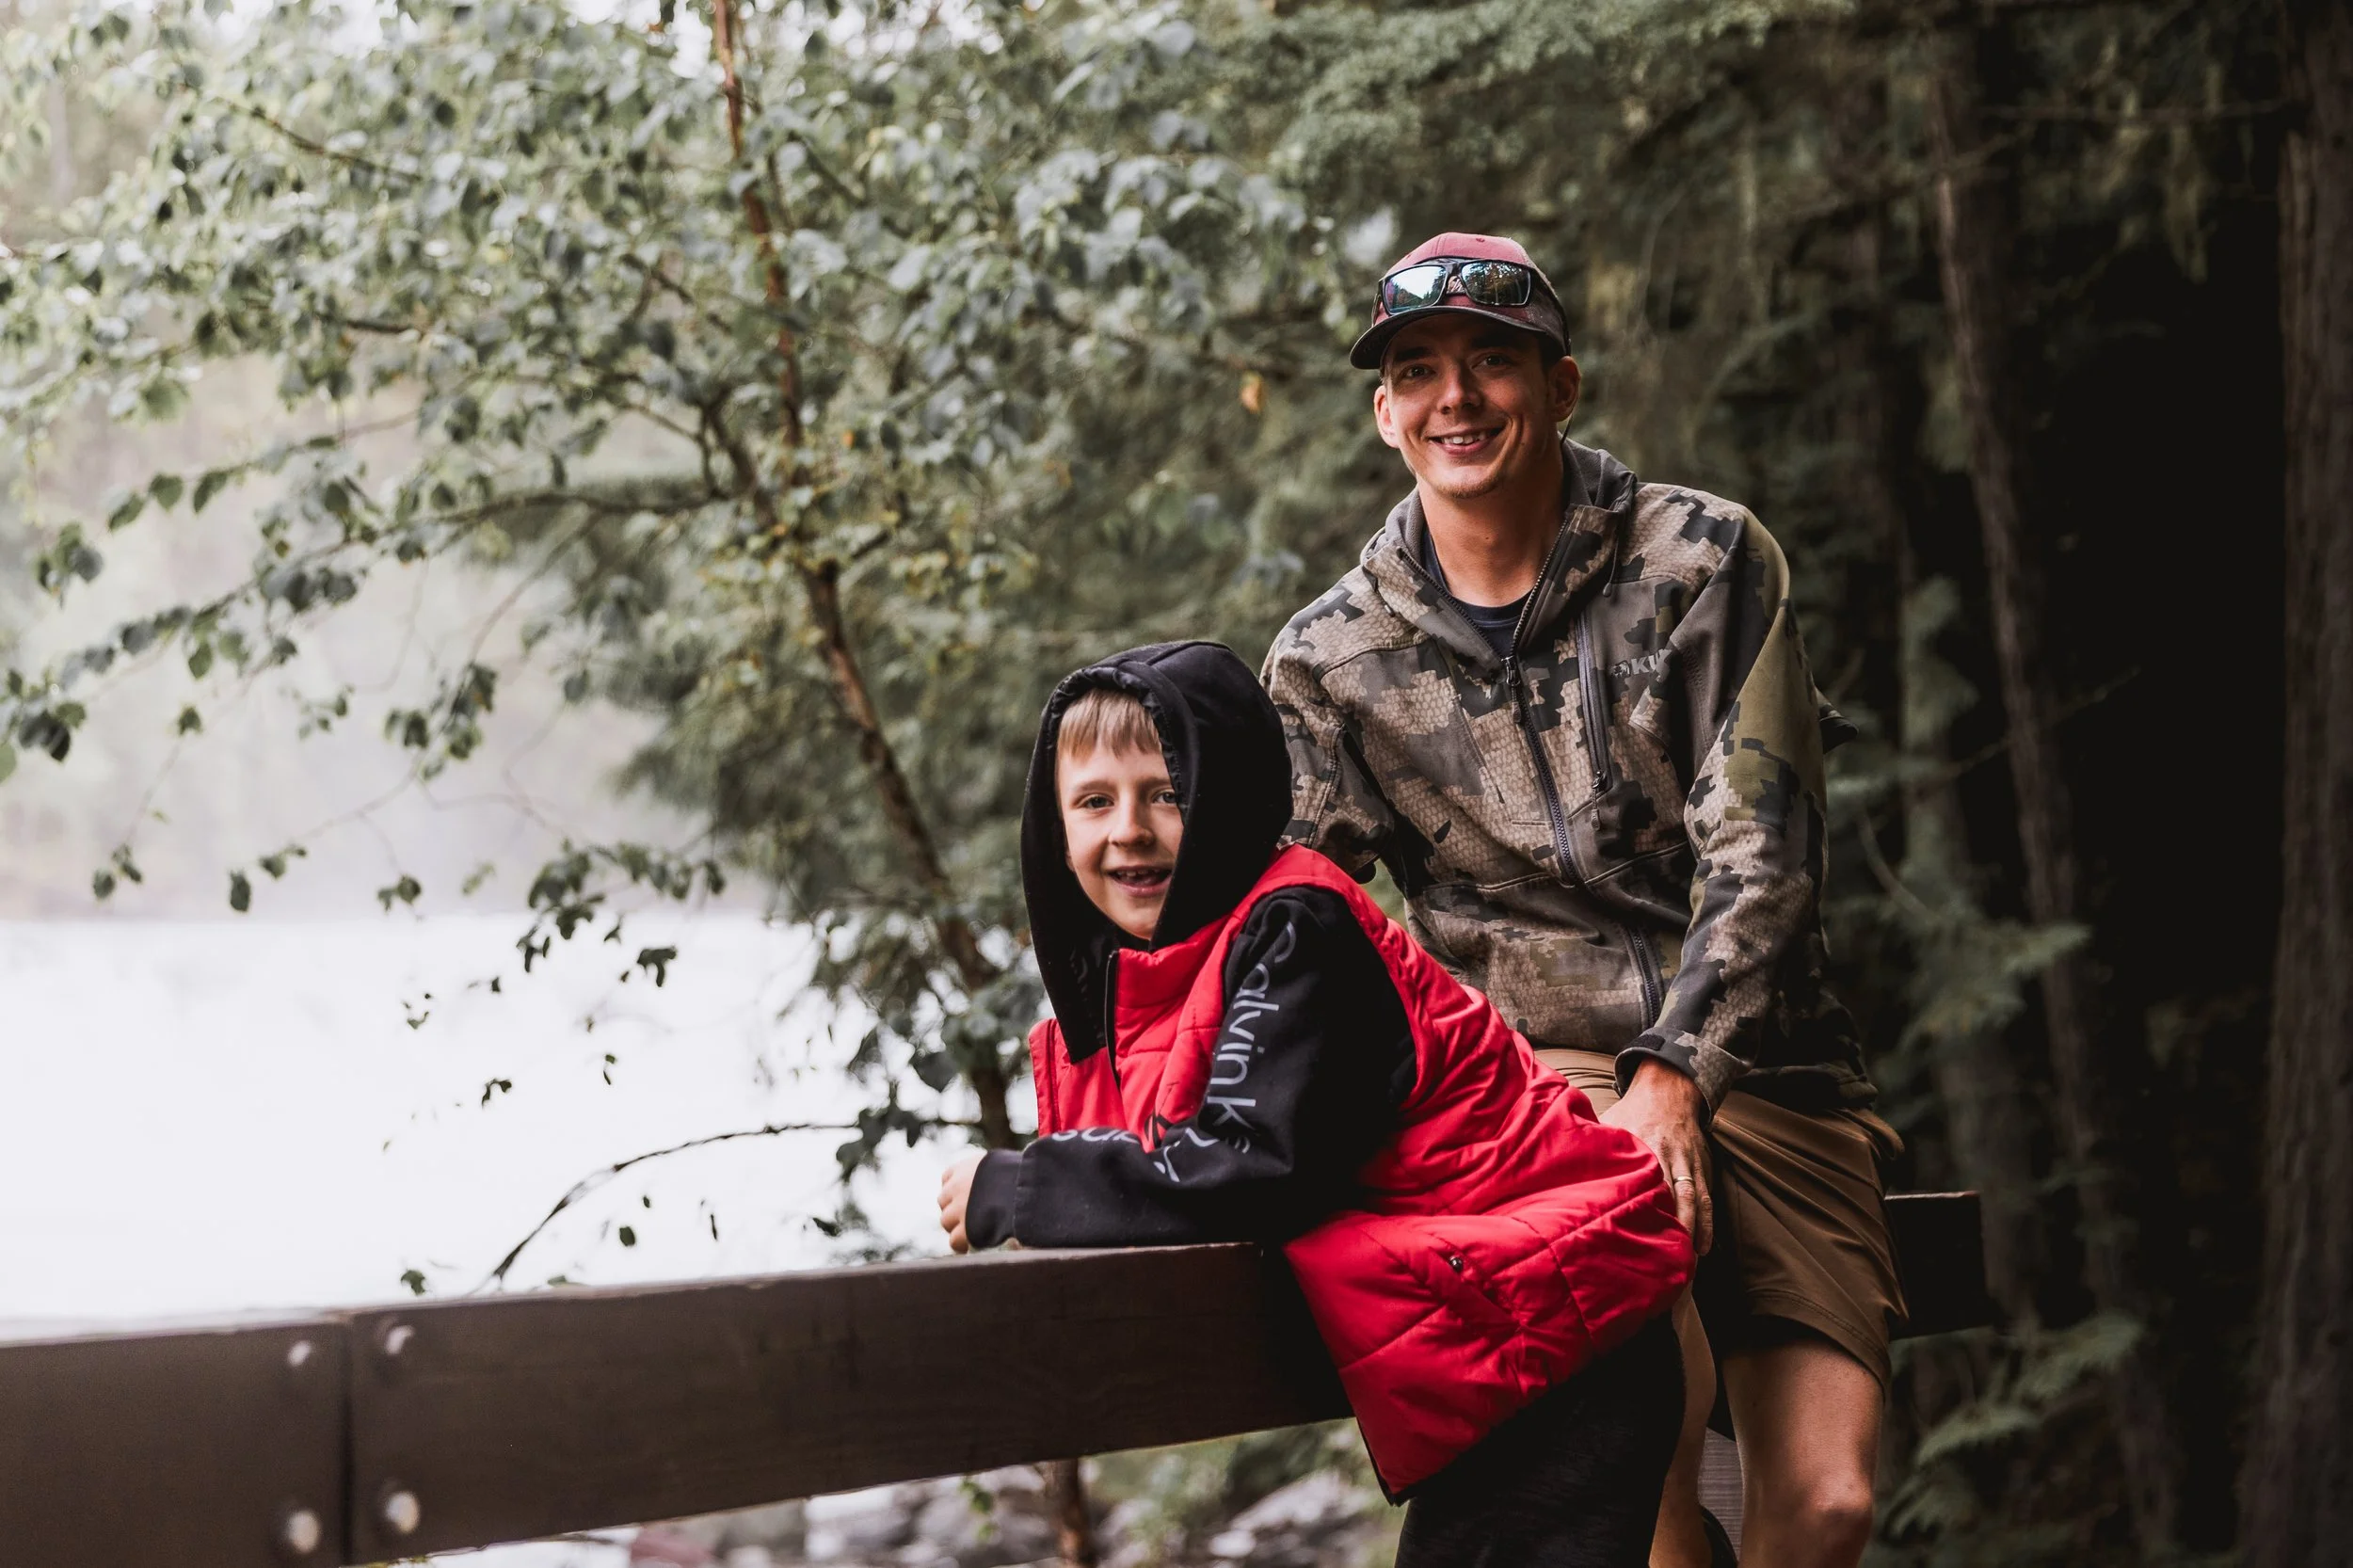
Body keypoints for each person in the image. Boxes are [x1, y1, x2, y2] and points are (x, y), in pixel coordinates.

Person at [1262, 233, 1907, 1568]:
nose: (1455, 397)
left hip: (1763, 1062)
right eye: (1418, 370)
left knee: (1828, 1504)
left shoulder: (1702, 558)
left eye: (1491, 361)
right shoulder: (1331, 657)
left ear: (1559, 386)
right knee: (1640, 1466)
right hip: (1530, 1087)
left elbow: (1766, 845)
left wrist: (1674, 1074)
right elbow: (1292, 929)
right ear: (1384, 413)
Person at [938, 639, 1692, 1566]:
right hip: (1500, 1322)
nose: (1128, 829)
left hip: (1556, 1323)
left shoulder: (1296, 929)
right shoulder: (1172, 972)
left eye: (1166, 793)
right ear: (1053, 830)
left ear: (1224, 799)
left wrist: (1024, 1189)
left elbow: (1252, 1165)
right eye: (1093, 801)